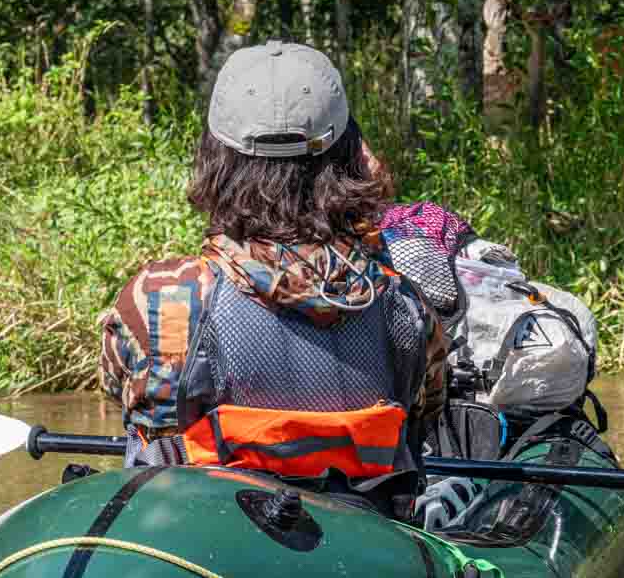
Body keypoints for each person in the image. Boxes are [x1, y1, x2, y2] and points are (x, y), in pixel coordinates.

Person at [99, 40, 449, 517]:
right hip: (359, 549)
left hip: (197, 546)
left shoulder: (161, 299)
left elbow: (121, 396)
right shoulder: (403, 306)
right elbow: (426, 412)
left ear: (215, 161)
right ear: (348, 157)